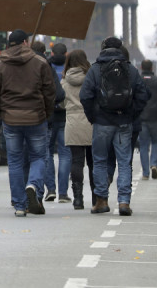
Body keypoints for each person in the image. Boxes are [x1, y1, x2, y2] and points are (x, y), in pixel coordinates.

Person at [0, 29, 56, 217]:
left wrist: (2, 111)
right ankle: (33, 184)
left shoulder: (0, 64)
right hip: (36, 118)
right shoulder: (40, 63)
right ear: (25, 42)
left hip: (10, 120)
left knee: (15, 162)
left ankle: (19, 205)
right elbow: (50, 92)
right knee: (38, 157)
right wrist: (46, 113)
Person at [79, 36, 150, 215]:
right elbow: (142, 95)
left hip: (102, 122)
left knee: (100, 161)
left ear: (103, 48)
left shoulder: (95, 69)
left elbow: (85, 95)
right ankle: (124, 202)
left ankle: (101, 200)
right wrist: (131, 114)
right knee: (124, 162)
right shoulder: (130, 69)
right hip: (124, 122)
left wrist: (93, 116)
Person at [62, 49, 94, 210]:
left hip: (73, 122)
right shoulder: (92, 79)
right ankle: (97, 197)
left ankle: (78, 199)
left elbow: (61, 103)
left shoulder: (64, 82)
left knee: (76, 161)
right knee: (93, 162)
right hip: (91, 121)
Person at [40, 42, 70, 202]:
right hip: (66, 115)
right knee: (65, 154)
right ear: (66, 54)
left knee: (47, 153)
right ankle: (63, 193)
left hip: (49, 115)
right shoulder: (70, 68)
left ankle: (50, 189)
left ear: (51, 53)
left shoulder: (45, 67)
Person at [137, 59, 157, 180]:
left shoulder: (138, 81)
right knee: (155, 142)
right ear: (152, 68)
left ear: (141, 67)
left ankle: (145, 173)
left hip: (141, 116)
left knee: (143, 145)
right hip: (155, 116)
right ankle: (154, 164)